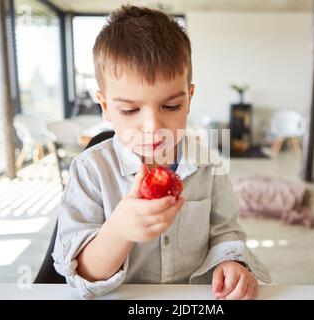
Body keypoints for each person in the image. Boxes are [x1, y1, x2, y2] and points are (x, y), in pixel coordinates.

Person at [52, 5, 271, 300]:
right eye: (130, 110)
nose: (153, 127)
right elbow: (84, 275)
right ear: (105, 107)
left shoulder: (207, 165)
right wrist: (119, 230)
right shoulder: (90, 171)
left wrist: (231, 261)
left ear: (189, 99)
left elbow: (225, 231)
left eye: (171, 106)